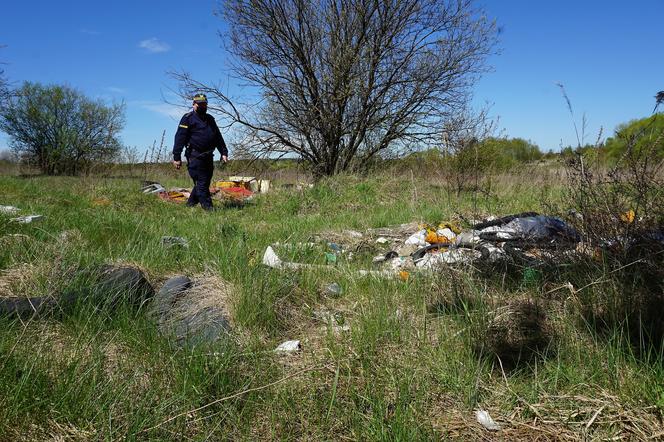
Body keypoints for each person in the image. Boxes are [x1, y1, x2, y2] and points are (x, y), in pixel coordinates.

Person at [172, 93, 228, 210]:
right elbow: (180, 138)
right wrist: (176, 157)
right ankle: (209, 210)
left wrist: (223, 152)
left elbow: (217, 136)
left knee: (204, 183)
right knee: (202, 183)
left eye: (204, 104)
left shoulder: (210, 119)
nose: (202, 106)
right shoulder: (187, 118)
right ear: (194, 104)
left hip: (208, 156)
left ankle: (189, 206)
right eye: (199, 104)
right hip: (195, 156)